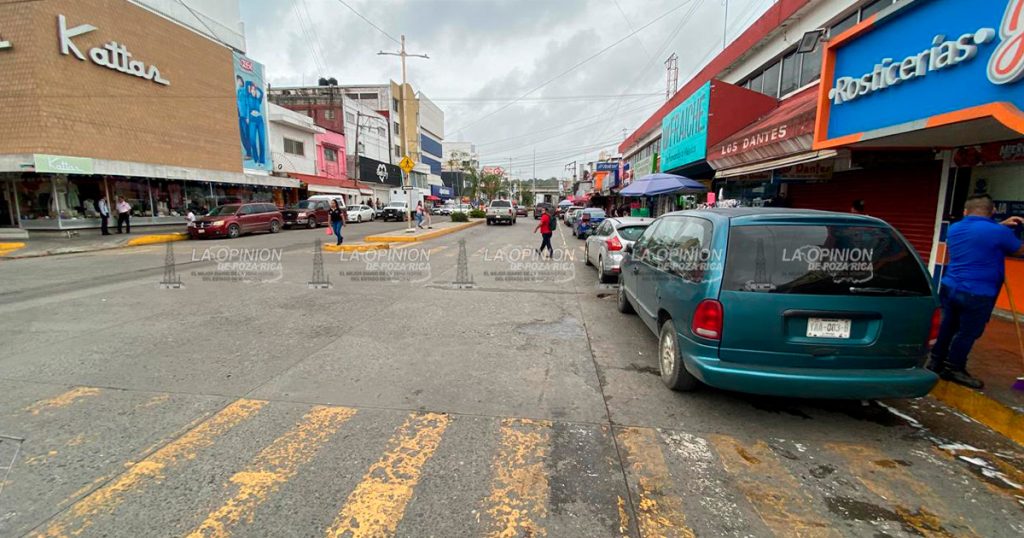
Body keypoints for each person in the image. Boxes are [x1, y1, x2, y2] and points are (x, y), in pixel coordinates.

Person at [929, 194, 1024, 388]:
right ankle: (954, 368)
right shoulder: (998, 232)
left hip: (950, 287)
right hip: (977, 292)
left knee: (948, 326)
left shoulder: (954, 228)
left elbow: (980, 233)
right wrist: (1003, 229)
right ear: (993, 211)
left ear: (966, 211)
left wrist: (1000, 226)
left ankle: (935, 362)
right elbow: (1018, 251)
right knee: (968, 332)